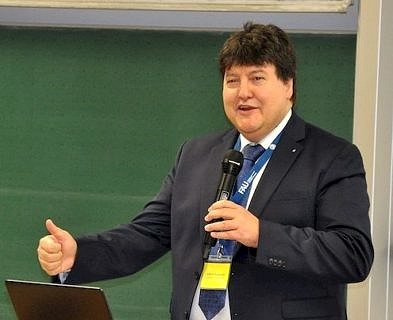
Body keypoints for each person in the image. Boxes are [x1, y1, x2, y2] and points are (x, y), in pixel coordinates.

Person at [37, 22, 374, 320]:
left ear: (288, 85)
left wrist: (260, 234)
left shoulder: (333, 157)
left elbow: (352, 253)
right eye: (232, 80)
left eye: (257, 78)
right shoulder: (196, 154)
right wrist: (79, 254)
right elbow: (149, 233)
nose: (243, 92)